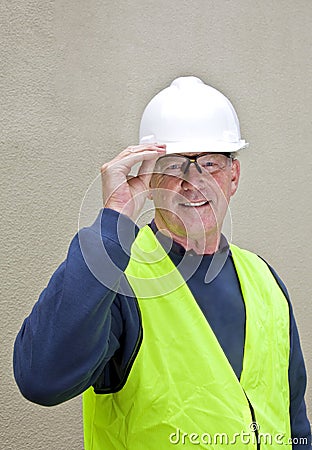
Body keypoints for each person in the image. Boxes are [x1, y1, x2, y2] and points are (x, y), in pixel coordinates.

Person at [14, 76, 311, 449]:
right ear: (149, 178)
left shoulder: (264, 279)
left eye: (210, 162)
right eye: (173, 166)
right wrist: (115, 218)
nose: (194, 181)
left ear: (233, 177)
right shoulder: (116, 279)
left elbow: (294, 419)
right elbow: (42, 378)